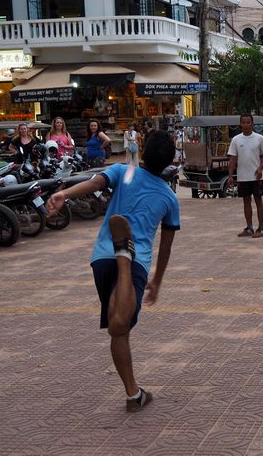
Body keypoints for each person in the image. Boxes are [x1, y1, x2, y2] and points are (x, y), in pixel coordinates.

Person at [45, 131, 179, 412]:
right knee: (121, 325)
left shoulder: (124, 172)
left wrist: (63, 194)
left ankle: (134, 394)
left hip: (100, 258)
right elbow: (165, 247)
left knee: (119, 331)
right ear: (171, 161)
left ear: (141, 150)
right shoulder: (169, 197)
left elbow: (94, 183)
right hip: (137, 261)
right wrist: (157, 280)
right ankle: (125, 257)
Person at [227, 114, 263, 238]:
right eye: (243, 122)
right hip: (242, 176)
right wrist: (230, 175)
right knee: (246, 202)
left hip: (256, 176)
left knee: (258, 201)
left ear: (252, 124)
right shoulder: (236, 140)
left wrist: (260, 168)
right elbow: (233, 159)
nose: (246, 125)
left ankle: (261, 228)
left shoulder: (259, 138)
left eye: (248, 122)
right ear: (240, 124)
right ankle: (249, 227)